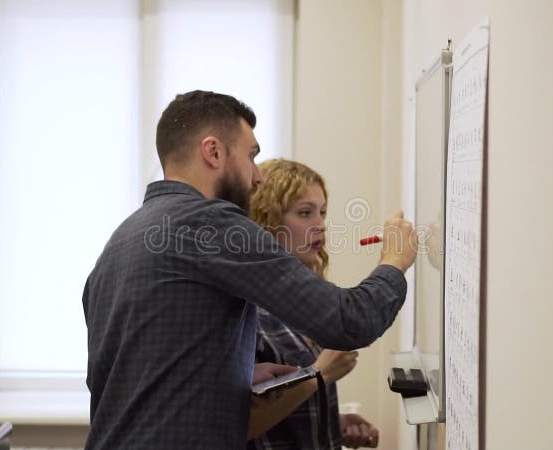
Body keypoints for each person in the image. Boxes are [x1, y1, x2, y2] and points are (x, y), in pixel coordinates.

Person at [82, 90, 417, 449]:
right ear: (213, 152)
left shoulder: (125, 238)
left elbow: (143, 373)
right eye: (251, 156)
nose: (257, 176)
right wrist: (394, 261)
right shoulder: (210, 222)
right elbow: (350, 321)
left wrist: (235, 375)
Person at [246, 159, 379, 449]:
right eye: (305, 213)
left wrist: (334, 424)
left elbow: (285, 406)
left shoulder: (304, 302)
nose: (320, 225)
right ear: (265, 219)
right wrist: (318, 375)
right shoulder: (247, 311)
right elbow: (243, 424)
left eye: (322, 212)